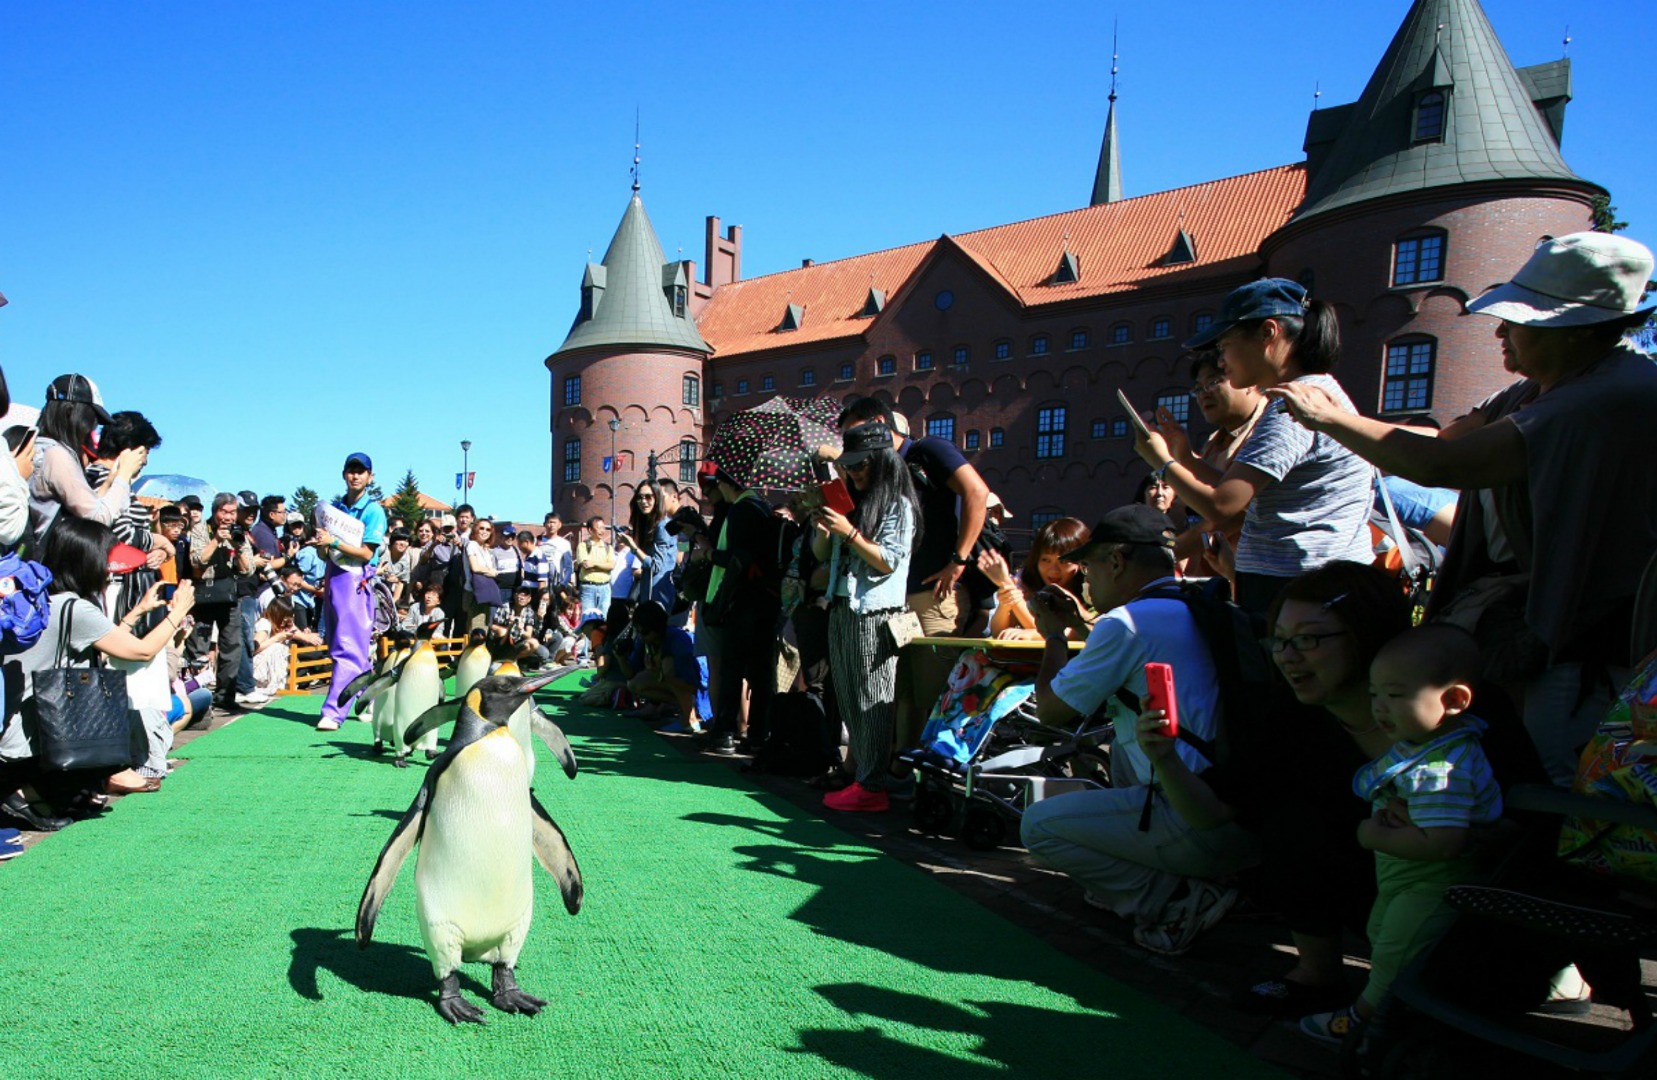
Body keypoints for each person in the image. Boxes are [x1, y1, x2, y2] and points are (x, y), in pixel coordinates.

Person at [1267, 232, 1657, 785]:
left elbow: (1444, 467)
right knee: (1506, 761)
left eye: (1519, 319)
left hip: (1586, 642)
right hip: (1532, 623)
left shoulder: (1604, 398)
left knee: (1562, 780)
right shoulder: (1538, 389)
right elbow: (1442, 441)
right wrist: (1344, 421)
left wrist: (1330, 419)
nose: (1499, 331)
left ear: (1574, 330)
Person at [1018, 506, 1248, 953]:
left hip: (1193, 820)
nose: (1085, 579)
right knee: (1124, 747)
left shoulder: (1126, 624)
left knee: (1038, 827)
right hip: (1240, 809)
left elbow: (1050, 711)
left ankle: (1175, 899)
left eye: (1088, 566)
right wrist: (1083, 623)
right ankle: (1181, 879)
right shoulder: (1203, 606)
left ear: (1117, 560)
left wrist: (1054, 637)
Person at [1298, 625, 1502, 1043]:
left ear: (1454, 700)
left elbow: (1444, 844)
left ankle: (1364, 1020)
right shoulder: (1424, 744)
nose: (1380, 708)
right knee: (1385, 936)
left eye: (1395, 695)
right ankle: (1406, 1014)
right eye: (1375, 695)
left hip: (1433, 884)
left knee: (1395, 951)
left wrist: (1369, 835)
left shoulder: (1441, 769)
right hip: (1405, 878)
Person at [1134, 280, 1374, 615]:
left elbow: (1223, 507)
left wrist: (1160, 462)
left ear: (1267, 332)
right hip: (1310, 586)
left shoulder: (1291, 408)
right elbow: (1243, 491)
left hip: (1299, 591)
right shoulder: (1309, 394)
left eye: (1225, 345)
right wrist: (1186, 458)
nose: (1221, 361)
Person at [0, 516, 197, 830]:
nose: (110, 569)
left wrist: (136, 613)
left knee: (88, 800)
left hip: (20, 723)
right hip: (36, 739)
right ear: (86, 561)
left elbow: (100, 644)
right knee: (85, 803)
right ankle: (21, 790)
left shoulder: (41, 598)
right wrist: (177, 613)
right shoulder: (76, 608)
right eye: (106, 560)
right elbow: (141, 651)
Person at [838, 397, 989, 744]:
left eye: (854, 433)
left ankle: (925, 779)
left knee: (933, 692)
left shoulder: (928, 451)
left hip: (934, 596)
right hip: (895, 599)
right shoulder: (875, 471)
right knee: (900, 689)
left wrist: (959, 559)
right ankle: (899, 771)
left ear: (878, 422)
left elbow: (976, 492)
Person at [809, 420, 920, 811]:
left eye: (861, 465)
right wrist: (826, 528)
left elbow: (889, 561)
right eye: (850, 465)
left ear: (883, 462)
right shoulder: (853, 504)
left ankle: (872, 786)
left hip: (875, 612)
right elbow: (823, 557)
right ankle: (863, 779)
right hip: (843, 606)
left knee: (873, 698)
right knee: (850, 698)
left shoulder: (898, 505)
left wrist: (849, 533)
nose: (853, 472)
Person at [698, 467, 779, 756]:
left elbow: (737, 559)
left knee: (733, 668)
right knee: (761, 672)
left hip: (743, 600)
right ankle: (758, 734)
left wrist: (708, 553)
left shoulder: (741, 510)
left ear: (723, 483)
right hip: (768, 599)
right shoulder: (763, 507)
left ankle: (725, 733)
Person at [313, 452, 387, 733]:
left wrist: (334, 541)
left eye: (361, 471)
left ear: (370, 477)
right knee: (338, 643)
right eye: (351, 470)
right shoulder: (334, 509)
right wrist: (323, 545)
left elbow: (367, 552)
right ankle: (366, 697)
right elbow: (325, 554)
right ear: (344, 474)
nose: (355, 475)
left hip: (357, 580)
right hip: (333, 578)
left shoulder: (373, 510)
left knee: (347, 646)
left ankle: (334, 711)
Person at [27, 374, 141, 545]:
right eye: (92, 417)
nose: (93, 427)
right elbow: (97, 518)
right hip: (42, 563)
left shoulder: (37, 445)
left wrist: (109, 482)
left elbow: (83, 509)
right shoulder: (56, 454)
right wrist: (124, 475)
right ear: (71, 412)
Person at [187, 492, 256, 713]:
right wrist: (217, 540)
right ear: (215, 511)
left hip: (229, 595)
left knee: (232, 648)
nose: (228, 517)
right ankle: (197, 698)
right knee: (199, 646)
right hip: (204, 595)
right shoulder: (200, 529)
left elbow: (248, 569)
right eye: (224, 512)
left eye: (232, 512)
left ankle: (225, 697)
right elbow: (197, 561)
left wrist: (235, 548)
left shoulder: (239, 533)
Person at [978, 516, 1093, 640]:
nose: (1054, 570)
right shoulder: (1026, 583)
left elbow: (1072, 633)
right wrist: (1006, 601)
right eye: (1045, 560)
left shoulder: (1092, 590)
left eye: (1064, 561)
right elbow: (999, 632)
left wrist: (1008, 587)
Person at [625, 599, 712, 732]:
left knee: (669, 667)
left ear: (657, 629)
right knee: (634, 683)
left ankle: (689, 719)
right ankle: (684, 707)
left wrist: (658, 672)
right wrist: (620, 657)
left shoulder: (679, 639)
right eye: (638, 632)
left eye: (645, 632)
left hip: (702, 688)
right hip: (681, 685)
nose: (641, 637)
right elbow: (630, 673)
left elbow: (691, 680)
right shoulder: (644, 640)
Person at [250, 596, 324, 703]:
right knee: (279, 647)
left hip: (267, 663)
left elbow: (294, 631)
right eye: (284, 618)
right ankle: (271, 683)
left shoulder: (281, 624)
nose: (286, 621)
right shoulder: (265, 624)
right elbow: (254, 649)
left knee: (299, 649)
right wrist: (277, 638)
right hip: (257, 665)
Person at [618, 481, 678, 611]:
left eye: (648, 497)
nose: (643, 501)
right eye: (639, 497)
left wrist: (633, 546)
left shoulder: (662, 526)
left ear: (657, 498)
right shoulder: (650, 525)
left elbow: (656, 566)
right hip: (649, 591)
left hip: (659, 594)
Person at [491, 584, 550, 667]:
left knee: (534, 643)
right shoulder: (505, 607)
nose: (522, 597)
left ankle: (512, 659)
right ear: (515, 596)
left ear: (529, 599)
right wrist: (508, 626)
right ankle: (498, 658)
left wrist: (521, 630)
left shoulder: (529, 612)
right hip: (502, 644)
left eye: (525, 595)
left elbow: (529, 635)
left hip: (517, 644)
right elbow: (493, 626)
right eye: (520, 594)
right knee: (502, 631)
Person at [463, 518, 501, 631]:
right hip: (474, 593)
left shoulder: (485, 549)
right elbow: (475, 567)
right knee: (476, 628)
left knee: (484, 626)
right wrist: (492, 572)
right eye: (481, 528)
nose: (485, 531)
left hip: (485, 592)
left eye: (488, 529)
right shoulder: (472, 545)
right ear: (475, 530)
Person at [575, 516, 617, 617]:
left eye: (603, 527)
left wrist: (595, 564)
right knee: (588, 618)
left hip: (605, 587)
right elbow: (586, 565)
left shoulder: (608, 547)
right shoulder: (583, 546)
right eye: (599, 528)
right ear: (590, 530)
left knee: (604, 618)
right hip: (588, 588)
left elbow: (611, 565)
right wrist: (604, 566)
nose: (602, 531)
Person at [378, 527, 417, 607]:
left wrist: (392, 602)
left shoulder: (405, 561)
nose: (402, 543)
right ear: (393, 541)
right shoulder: (382, 550)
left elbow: (401, 582)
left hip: (386, 594)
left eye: (406, 541)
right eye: (399, 539)